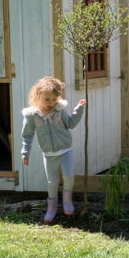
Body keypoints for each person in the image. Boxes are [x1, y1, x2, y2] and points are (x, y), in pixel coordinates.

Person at [20, 76, 86, 223]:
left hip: (65, 150)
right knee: (52, 182)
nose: (51, 103)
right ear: (38, 96)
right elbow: (27, 135)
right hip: (49, 154)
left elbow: (70, 123)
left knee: (68, 176)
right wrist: (25, 152)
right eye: (47, 99)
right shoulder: (32, 115)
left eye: (54, 99)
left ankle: (67, 202)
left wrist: (79, 109)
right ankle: (52, 207)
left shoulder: (59, 110)